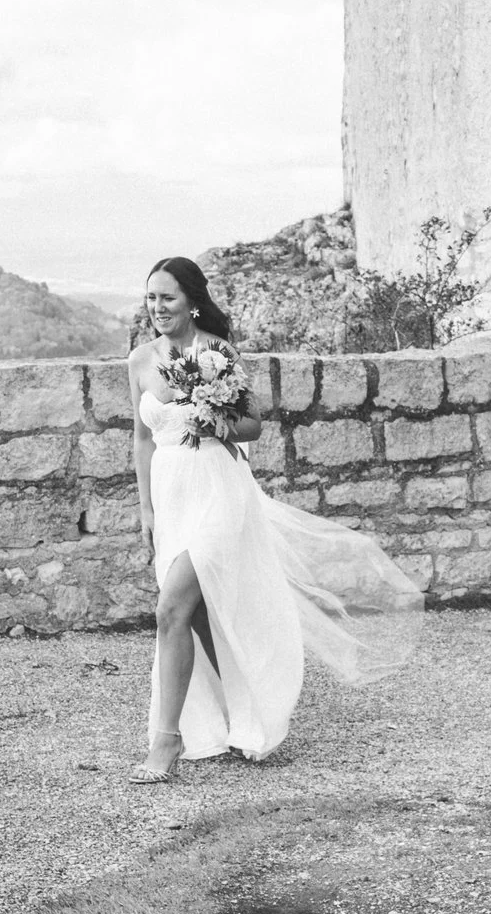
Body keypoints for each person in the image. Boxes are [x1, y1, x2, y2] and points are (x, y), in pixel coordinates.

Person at [127, 257, 424, 782]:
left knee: (170, 608)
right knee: (199, 615)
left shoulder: (217, 354)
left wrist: (209, 413)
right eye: (151, 298)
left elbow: (251, 426)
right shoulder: (139, 360)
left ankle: (165, 739)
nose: (157, 308)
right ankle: (249, 712)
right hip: (171, 496)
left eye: (167, 297)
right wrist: (146, 509)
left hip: (219, 489)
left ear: (191, 301)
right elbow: (143, 438)